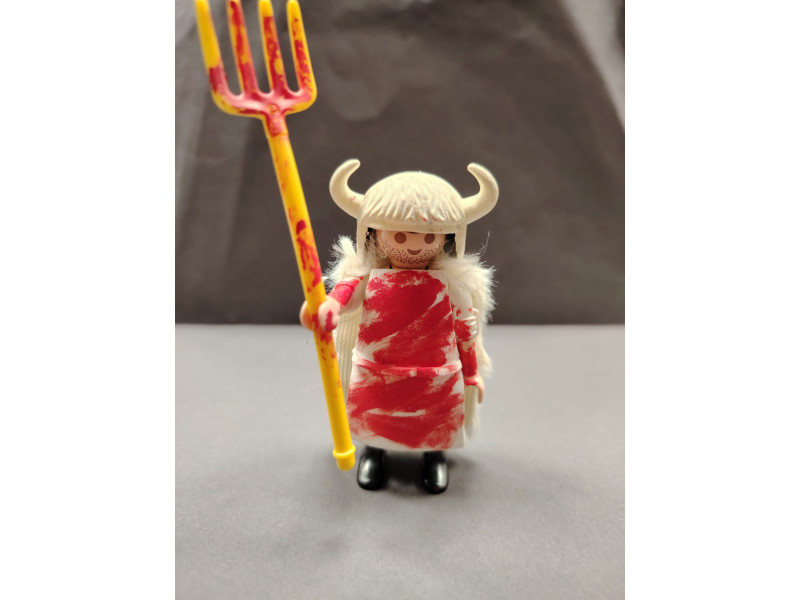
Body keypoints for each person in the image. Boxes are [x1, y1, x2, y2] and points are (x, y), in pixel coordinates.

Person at [300, 159, 498, 493]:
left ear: (447, 237)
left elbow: (466, 330)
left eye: (429, 236)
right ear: (373, 233)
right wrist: (328, 307)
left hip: (436, 374)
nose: (414, 246)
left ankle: (434, 456)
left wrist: (471, 372)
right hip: (377, 371)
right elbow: (346, 293)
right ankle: (374, 452)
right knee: (374, 417)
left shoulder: (452, 286)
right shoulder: (369, 278)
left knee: (435, 421)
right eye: (401, 236)